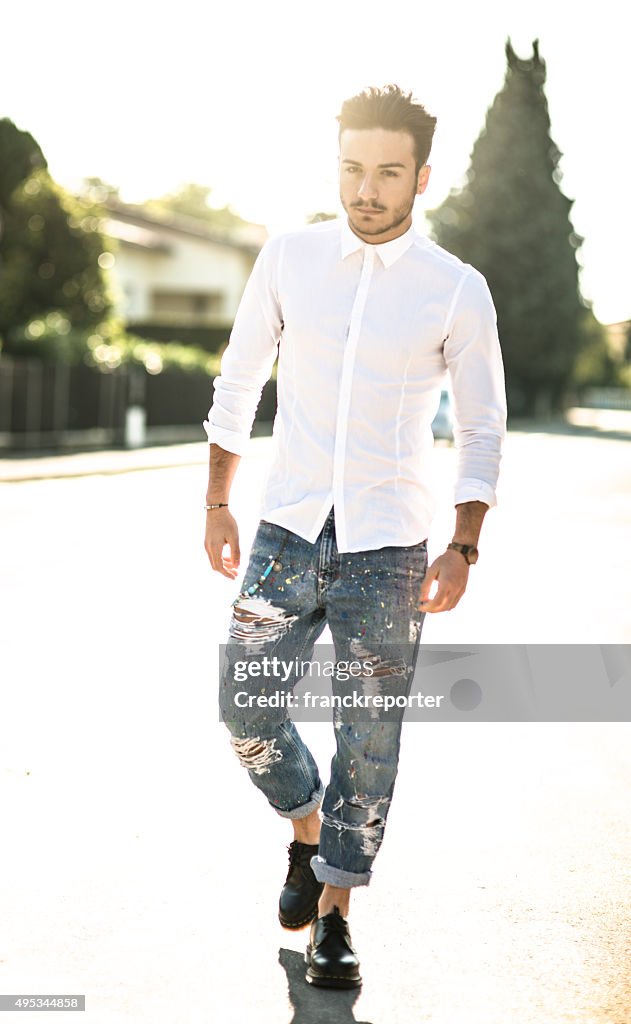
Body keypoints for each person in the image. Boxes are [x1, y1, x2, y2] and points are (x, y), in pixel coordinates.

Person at [203, 84, 506, 989]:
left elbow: (483, 428)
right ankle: (306, 831)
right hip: (286, 530)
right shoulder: (290, 258)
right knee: (243, 705)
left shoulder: (455, 289)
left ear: (420, 175)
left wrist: (463, 543)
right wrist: (216, 501)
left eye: (384, 172)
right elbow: (237, 377)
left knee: (369, 737)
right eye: (350, 168)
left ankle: (335, 914)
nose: (364, 189)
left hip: (390, 547)